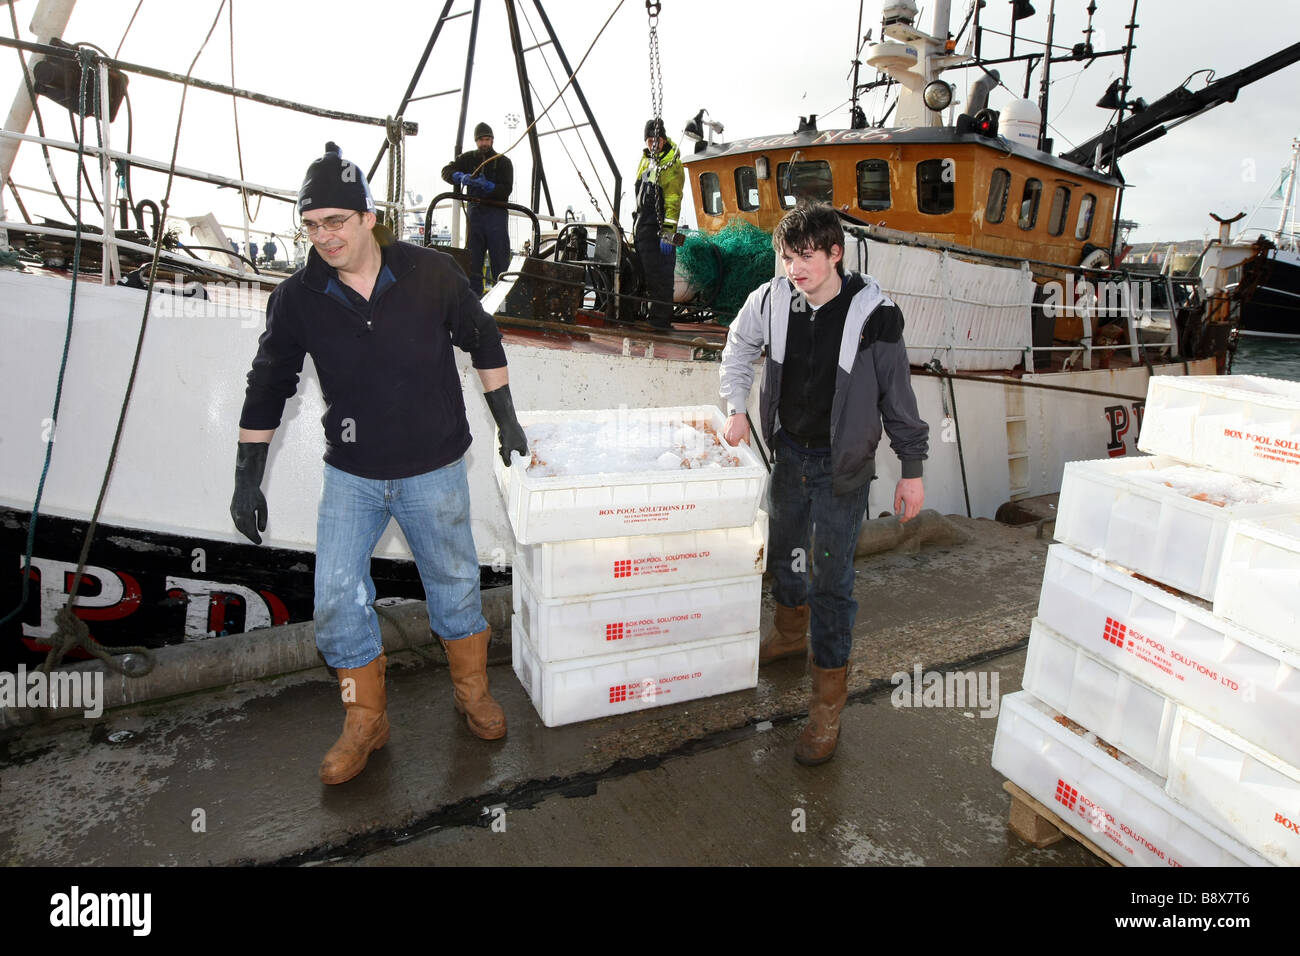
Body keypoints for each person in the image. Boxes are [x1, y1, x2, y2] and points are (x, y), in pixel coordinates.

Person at [231, 142, 529, 785]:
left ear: (369, 217)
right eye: (311, 226)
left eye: (335, 222)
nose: (324, 237)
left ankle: (471, 692)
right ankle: (364, 718)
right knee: (337, 598)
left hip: (435, 468)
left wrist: (506, 420)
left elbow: (484, 339)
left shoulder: (432, 274)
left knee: (453, 585)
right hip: (353, 477)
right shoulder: (297, 298)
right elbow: (268, 383)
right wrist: (246, 476)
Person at [719, 202, 928, 766]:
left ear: (836, 253)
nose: (795, 268)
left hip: (843, 471)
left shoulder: (876, 316)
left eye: (806, 256)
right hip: (789, 457)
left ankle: (827, 703)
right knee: (784, 554)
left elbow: (898, 400)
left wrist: (912, 471)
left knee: (831, 579)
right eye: (787, 257)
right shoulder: (768, 300)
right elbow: (737, 347)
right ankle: (790, 633)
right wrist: (736, 407)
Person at [441, 122, 514, 295]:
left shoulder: (503, 162)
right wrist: (459, 176)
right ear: (476, 141)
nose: (484, 143)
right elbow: (446, 171)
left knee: (500, 260)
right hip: (475, 215)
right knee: (473, 260)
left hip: (496, 213)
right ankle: (473, 301)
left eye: (487, 139)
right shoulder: (467, 159)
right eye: (481, 140)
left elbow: (506, 189)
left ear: (492, 140)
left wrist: (490, 186)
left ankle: (502, 300)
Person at [632, 118, 684, 329]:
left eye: (657, 140)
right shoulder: (645, 160)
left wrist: (668, 234)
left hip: (658, 229)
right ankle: (640, 315)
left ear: (663, 139)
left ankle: (659, 321)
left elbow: (673, 201)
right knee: (641, 272)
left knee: (660, 275)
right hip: (642, 225)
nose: (653, 144)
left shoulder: (672, 164)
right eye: (649, 140)